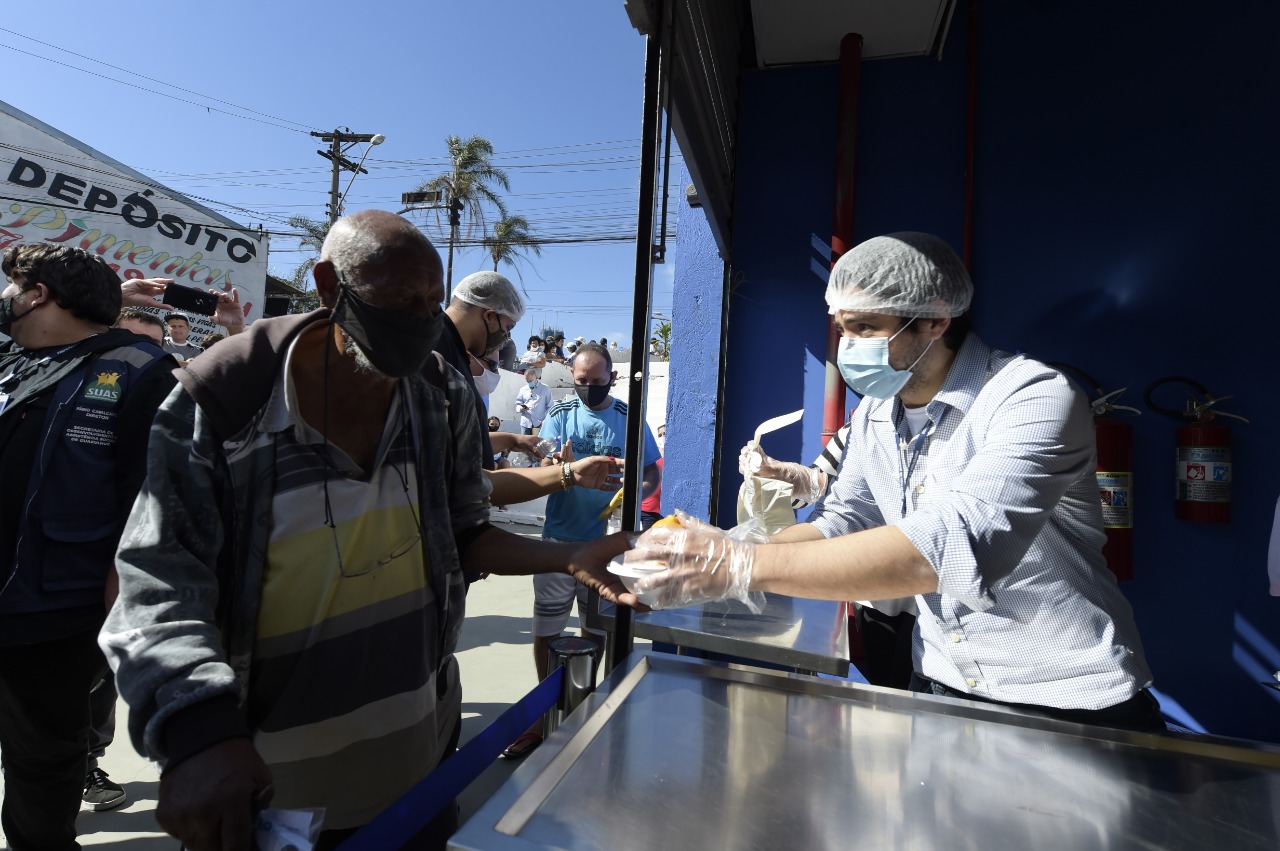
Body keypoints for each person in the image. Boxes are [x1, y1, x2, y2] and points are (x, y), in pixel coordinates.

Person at [100, 210, 633, 851]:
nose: (421, 320)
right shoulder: (226, 400)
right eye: (400, 299)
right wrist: (198, 733)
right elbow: (157, 585)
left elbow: (464, 531)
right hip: (269, 795)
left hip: (421, 769)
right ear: (331, 286)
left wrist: (572, 554)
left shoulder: (441, 398)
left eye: (433, 302)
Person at [632, 232, 1163, 733]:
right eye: (842, 328)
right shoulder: (874, 416)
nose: (847, 346)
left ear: (936, 319)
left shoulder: (1034, 396)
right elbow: (845, 519)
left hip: (1067, 698)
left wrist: (741, 566)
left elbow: (954, 546)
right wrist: (731, 546)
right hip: (942, 680)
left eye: (865, 327)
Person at [0, 244, 177, 845]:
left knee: (42, 762)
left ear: (37, 294)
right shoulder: (12, 361)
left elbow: (150, 499)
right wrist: (109, 298)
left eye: (14, 287)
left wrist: (121, 607)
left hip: (52, 613)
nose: (7, 299)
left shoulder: (139, 370)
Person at [503, 342, 662, 759]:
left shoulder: (629, 419)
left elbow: (649, 471)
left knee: (596, 628)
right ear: (571, 379)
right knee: (547, 630)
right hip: (558, 540)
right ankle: (543, 710)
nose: (589, 388)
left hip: (607, 544)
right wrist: (559, 469)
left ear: (612, 377)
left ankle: (585, 702)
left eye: (596, 381)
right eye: (581, 381)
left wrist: (633, 493)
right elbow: (540, 469)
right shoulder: (559, 415)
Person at [740, 423, 917, 689]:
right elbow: (827, 495)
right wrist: (773, 473)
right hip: (877, 596)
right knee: (890, 690)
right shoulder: (863, 423)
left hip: (934, 599)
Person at [640, 424, 666, 530]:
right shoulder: (651, 458)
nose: (662, 436)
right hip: (643, 508)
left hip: (657, 511)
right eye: (660, 434)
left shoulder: (672, 459)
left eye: (665, 434)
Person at [514, 367, 553, 435]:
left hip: (539, 423)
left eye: (531, 381)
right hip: (525, 423)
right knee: (524, 444)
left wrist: (544, 420)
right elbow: (517, 404)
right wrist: (520, 408)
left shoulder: (545, 389)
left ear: (536, 377)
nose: (529, 383)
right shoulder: (523, 389)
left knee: (538, 444)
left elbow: (550, 406)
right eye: (527, 381)